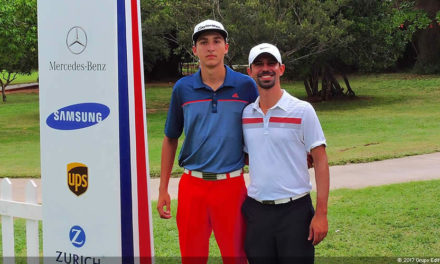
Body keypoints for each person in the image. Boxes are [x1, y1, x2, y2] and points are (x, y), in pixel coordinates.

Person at [157, 19, 258, 264]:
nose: (210, 47)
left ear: (226, 47)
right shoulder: (183, 88)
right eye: (203, 42)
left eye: (216, 41)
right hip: (193, 186)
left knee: (236, 258)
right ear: (195, 50)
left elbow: (262, 131)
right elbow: (171, 138)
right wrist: (162, 190)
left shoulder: (246, 87)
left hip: (232, 187)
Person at [241, 43, 330, 264]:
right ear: (249, 71)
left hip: (295, 212)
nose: (265, 68)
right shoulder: (246, 115)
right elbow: (249, 157)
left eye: (271, 63)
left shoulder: (302, 110)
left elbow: (320, 161)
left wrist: (321, 214)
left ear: (281, 69)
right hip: (257, 212)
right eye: (259, 64)